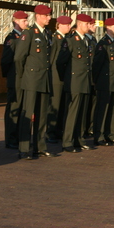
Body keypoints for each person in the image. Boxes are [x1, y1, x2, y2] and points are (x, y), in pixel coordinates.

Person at [15, 4, 57, 159]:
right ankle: (24, 148)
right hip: (31, 79)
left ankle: (39, 146)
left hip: (44, 79)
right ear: (38, 16)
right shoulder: (29, 33)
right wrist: (23, 76)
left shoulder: (47, 33)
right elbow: (19, 57)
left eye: (49, 15)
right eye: (46, 15)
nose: (49, 18)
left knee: (42, 115)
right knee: (28, 113)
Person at [56, 14, 94, 152]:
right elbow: (61, 62)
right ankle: (67, 142)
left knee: (81, 113)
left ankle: (79, 139)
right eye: (86, 24)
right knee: (72, 113)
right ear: (79, 24)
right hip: (74, 81)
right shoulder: (70, 40)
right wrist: (66, 78)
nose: (88, 26)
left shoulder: (86, 40)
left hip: (85, 81)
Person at [92, 17, 114, 146]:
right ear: (108, 27)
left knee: (112, 109)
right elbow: (97, 64)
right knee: (102, 109)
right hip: (105, 81)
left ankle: (109, 134)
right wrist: (96, 82)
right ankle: (98, 136)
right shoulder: (103, 43)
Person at [1, 10, 29, 150]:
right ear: (16, 22)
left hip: (22, 78)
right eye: (24, 21)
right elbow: (6, 61)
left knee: (21, 108)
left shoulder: (23, 37)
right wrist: (10, 76)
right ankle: (11, 138)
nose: (27, 23)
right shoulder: (11, 39)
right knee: (13, 108)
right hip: (14, 78)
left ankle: (18, 137)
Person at [47, 15, 73, 143]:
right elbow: (52, 60)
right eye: (67, 24)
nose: (69, 26)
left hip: (63, 77)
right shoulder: (55, 39)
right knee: (54, 105)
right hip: (56, 77)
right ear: (59, 25)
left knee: (62, 105)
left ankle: (58, 130)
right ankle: (50, 132)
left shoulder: (66, 39)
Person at [82, 17, 98, 139]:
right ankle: (84, 129)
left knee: (92, 104)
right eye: (92, 24)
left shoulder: (93, 40)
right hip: (85, 77)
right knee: (85, 106)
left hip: (93, 77)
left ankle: (90, 127)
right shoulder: (84, 40)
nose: (95, 27)